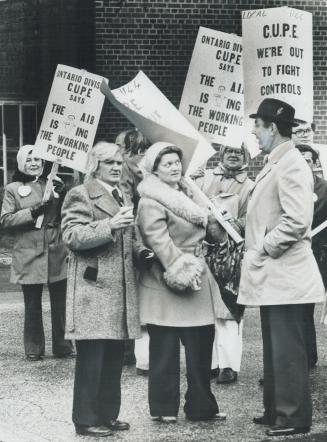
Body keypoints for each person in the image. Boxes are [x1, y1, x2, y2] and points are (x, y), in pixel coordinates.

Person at [238, 98, 325, 437]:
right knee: (276, 346)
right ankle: (276, 410)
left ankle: (293, 417)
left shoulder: (290, 163)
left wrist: (263, 247)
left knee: (288, 348)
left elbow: (298, 221)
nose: (254, 134)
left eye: (257, 127)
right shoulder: (278, 160)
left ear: (271, 128)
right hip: (276, 273)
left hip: (285, 271)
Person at [136, 141, 226, 423]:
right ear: (155, 170)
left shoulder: (192, 194)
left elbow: (208, 234)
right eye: (168, 164)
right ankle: (163, 408)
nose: (175, 167)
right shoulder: (150, 200)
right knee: (164, 350)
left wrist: (218, 223)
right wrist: (180, 268)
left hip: (196, 275)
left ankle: (202, 406)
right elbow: (157, 240)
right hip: (167, 277)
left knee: (201, 346)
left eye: (177, 162)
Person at [61, 142, 143, 437]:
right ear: (94, 165)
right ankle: (85, 418)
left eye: (119, 162)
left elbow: (129, 237)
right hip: (92, 289)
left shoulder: (122, 194)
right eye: (109, 162)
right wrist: (109, 225)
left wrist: (141, 251)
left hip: (118, 288)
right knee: (91, 359)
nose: (116, 167)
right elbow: (71, 236)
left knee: (112, 357)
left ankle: (107, 414)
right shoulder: (80, 194)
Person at [0, 144, 73, 361]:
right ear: (22, 163)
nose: (34, 164)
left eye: (38, 160)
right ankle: (34, 347)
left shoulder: (53, 183)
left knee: (60, 301)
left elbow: (67, 213)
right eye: (30, 160)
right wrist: (33, 211)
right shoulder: (13, 189)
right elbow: (5, 219)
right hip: (28, 249)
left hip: (55, 247)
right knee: (32, 303)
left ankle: (63, 346)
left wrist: (64, 195)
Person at [194, 144, 254, 384]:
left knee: (229, 310)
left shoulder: (251, 186)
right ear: (220, 154)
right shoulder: (203, 179)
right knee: (203, 309)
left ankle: (228, 365)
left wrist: (234, 224)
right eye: (228, 151)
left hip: (232, 254)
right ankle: (209, 363)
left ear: (245, 157)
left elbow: (251, 218)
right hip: (202, 251)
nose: (233, 155)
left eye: (238, 152)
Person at [116, 128, 151, 373]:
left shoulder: (124, 166)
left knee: (126, 288)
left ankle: (128, 350)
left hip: (131, 228)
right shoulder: (151, 164)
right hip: (151, 227)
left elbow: (125, 198)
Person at [295, 143, 327, 368]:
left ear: (315, 164)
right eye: (300, 159)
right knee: (299, 309)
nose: (304, 164)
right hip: (296, 254)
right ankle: (305, 357)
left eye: (308, 160)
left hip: (321, 254)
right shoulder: (289, 185)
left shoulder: (324, 188)